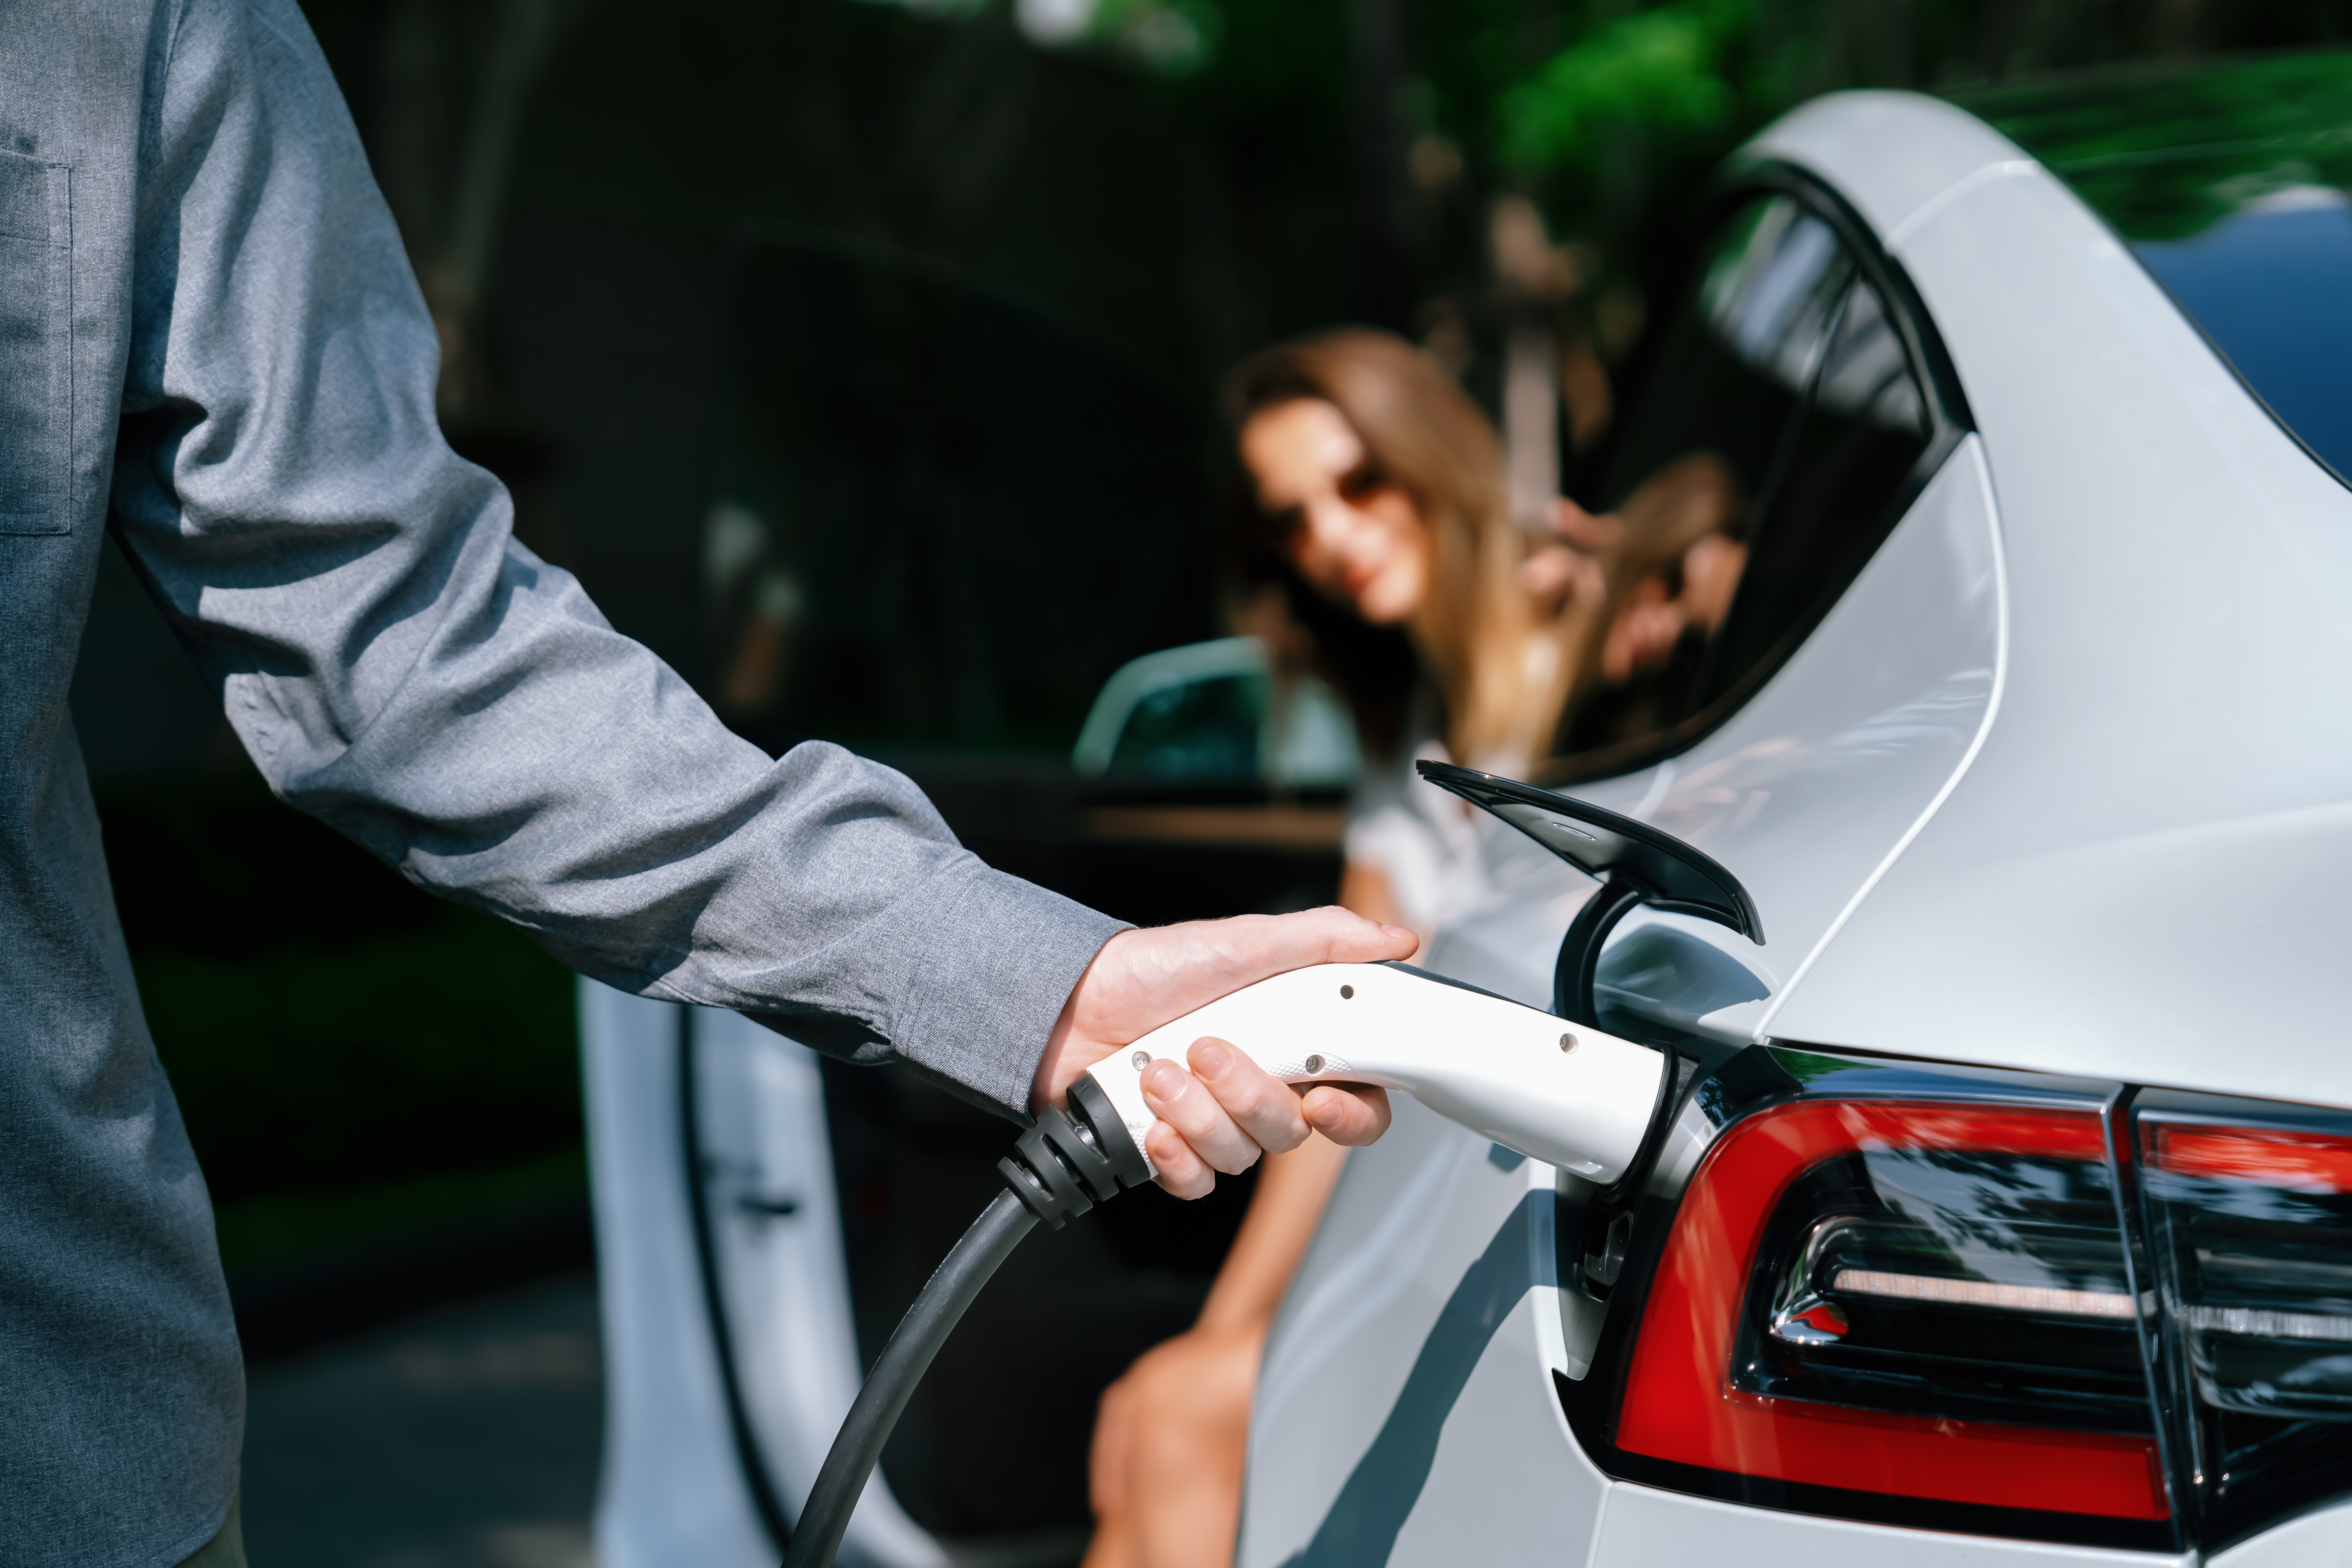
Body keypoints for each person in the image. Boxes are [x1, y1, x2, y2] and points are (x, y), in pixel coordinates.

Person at [0, 8, 1416, 1567]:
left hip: (64, 1455)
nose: (1335, 547)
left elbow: (401, 644)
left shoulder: (141, 28)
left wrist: (1042, 985)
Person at [1081, 328, 1747, 1568]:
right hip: (1415, 1187)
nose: (1333, 536)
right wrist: (1226, 1334)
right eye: (1293, 517)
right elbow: (1329, 1031)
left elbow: (1736, 564)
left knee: (1175, 1424)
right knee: (1172, 1405)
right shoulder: (1409, 742)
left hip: (1551, 1217)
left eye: (1360, 482)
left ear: (1431, 454)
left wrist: (1668, 564)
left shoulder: (1601, 641)